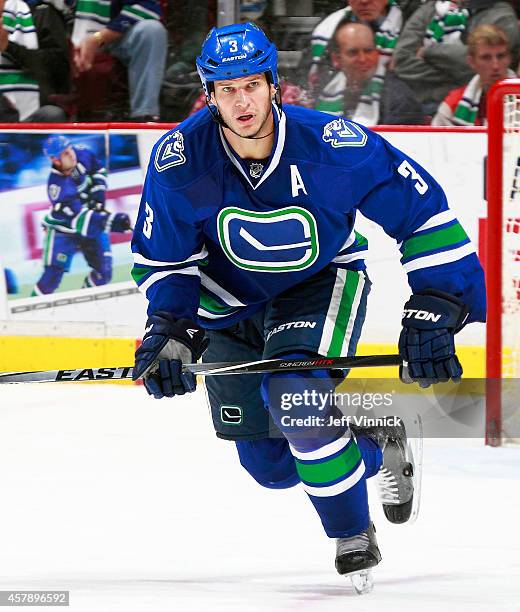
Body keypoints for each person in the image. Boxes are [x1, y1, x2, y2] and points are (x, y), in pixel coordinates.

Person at [130, 23, 486, 580]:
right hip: (227, 305)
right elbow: (165, 261)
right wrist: (171, 328)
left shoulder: (332, 145)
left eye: (251, 84)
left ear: (274, 84)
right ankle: (375, 439)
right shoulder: (181, 163)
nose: (242, 100)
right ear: (209, 93)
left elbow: (422, 217)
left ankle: (350, 534)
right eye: (227, 89)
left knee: (295, 399)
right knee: (272, 468)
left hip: (319, 283)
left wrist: (439, 301)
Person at [33, 135, 131, 295]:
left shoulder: (82, 154)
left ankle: (84, 303)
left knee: (103, 273)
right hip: (63, 229)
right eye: (65, 153)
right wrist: (112, 222)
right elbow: (81, 221)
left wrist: (98, 193)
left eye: (70, 148)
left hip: (91, 220)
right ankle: (31, 312)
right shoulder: (57, 187)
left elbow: (98, 169)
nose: (71, 154)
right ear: (55, 160)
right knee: (51, 278)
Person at [393, 0, 519, 117]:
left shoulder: (502, 16)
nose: (495, 64)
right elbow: (401, 59)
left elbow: (479, 66)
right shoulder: (430, 8)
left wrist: (429, 51)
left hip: (477, 98)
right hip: (422, 102)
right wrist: (454, 73)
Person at [71, 0, 167, 121]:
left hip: (113, 38)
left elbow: (149, 8)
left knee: (152, 30)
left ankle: (144, 116)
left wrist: (98, 38)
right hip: (65, 40)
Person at [315, 20, 423, 124]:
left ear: (377, 53)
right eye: (353, 52)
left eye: (368, 51)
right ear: (336, 59)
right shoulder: (325, 90)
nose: (362, 59)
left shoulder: (401, 100)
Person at [432, 24, 515, 125]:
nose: (495, 65)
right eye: (486, 58)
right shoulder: (453, 106)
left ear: (509, 58)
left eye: (501, 56)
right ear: (471, 62)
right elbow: (435, 140)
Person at [0, 0, 69, 122]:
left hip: (34, 113)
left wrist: (8, 47)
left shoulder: (43, 12)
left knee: (52, 115)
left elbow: (58, 68)